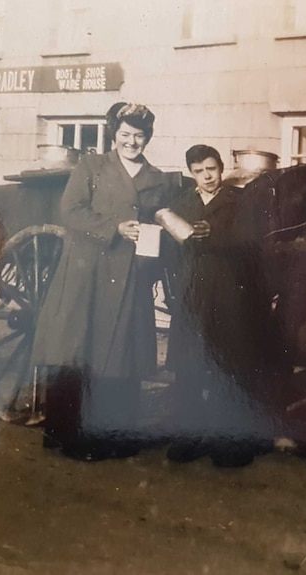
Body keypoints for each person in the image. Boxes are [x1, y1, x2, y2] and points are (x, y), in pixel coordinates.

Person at [31, 103, 175, 461]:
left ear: (148, 138)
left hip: (129, 275)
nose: (131, 142)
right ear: (115, 134)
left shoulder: (156, 177)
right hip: (89, 270)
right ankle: (67, 431)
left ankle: (111, 432)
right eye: (125, 134)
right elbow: (71, 209)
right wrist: (113, 228)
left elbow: (157, 222)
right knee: (80, 347)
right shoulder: (92, 166)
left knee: (120, 351)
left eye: (138, 136)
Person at [159, 145, 275, 467]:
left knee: (230, 369)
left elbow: (253, 242)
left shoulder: (240, 202)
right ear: (191, 174)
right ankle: (190, 437)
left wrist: (214, 235)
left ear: (221, 168)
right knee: (190, 368)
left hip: (230, 297)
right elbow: (171, 248)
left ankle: (233, 444)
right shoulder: (182, 204)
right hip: (192, 295)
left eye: (211, 168)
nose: (207, 176)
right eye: (199, 171)